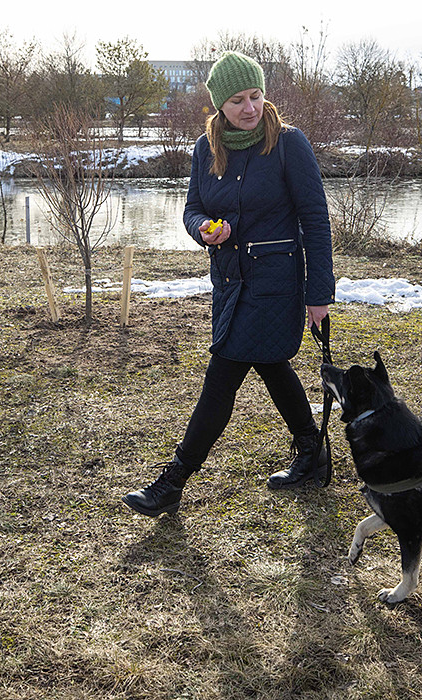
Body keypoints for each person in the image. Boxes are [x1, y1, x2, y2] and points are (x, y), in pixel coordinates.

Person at [122, 50, 335, 518]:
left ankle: (174, 481)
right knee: (270, 363)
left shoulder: (289, 143)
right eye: (238, 99)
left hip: (276, 283)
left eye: (256, 96)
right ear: (220, 104)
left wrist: (319, 294)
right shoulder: (207, 147)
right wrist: (203, 228)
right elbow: (192, 207)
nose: (250, 108)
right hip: (230, 282)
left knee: (223, 375)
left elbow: (315, 221)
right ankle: (311, 451)